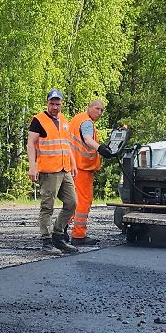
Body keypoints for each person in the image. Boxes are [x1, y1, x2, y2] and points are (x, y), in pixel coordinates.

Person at [28, 89, 77, 253]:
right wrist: (32, 166)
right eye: (52, 103)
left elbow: (67, 143)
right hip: (49, 170)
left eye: (57, 103)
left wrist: (73, 163)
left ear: (61, 103)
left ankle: (58, 235)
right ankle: (46, 241)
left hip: (65, 169)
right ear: (47, 103)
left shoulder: (63, 120)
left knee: (72, 203)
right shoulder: (38, 120)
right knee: (47, 206)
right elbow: (30, 144)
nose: (55, 107)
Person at [69, 98, 106, 244]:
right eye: (97, 109)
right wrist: (101, 148)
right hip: (82, 168)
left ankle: (62, 230)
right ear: (89, 108)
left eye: (102, 110)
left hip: (71, 166)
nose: (100, 113)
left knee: (71, 201)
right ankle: (79, 235)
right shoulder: (86, 123)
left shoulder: (76, 119)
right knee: (84, 201)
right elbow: (88, 139)